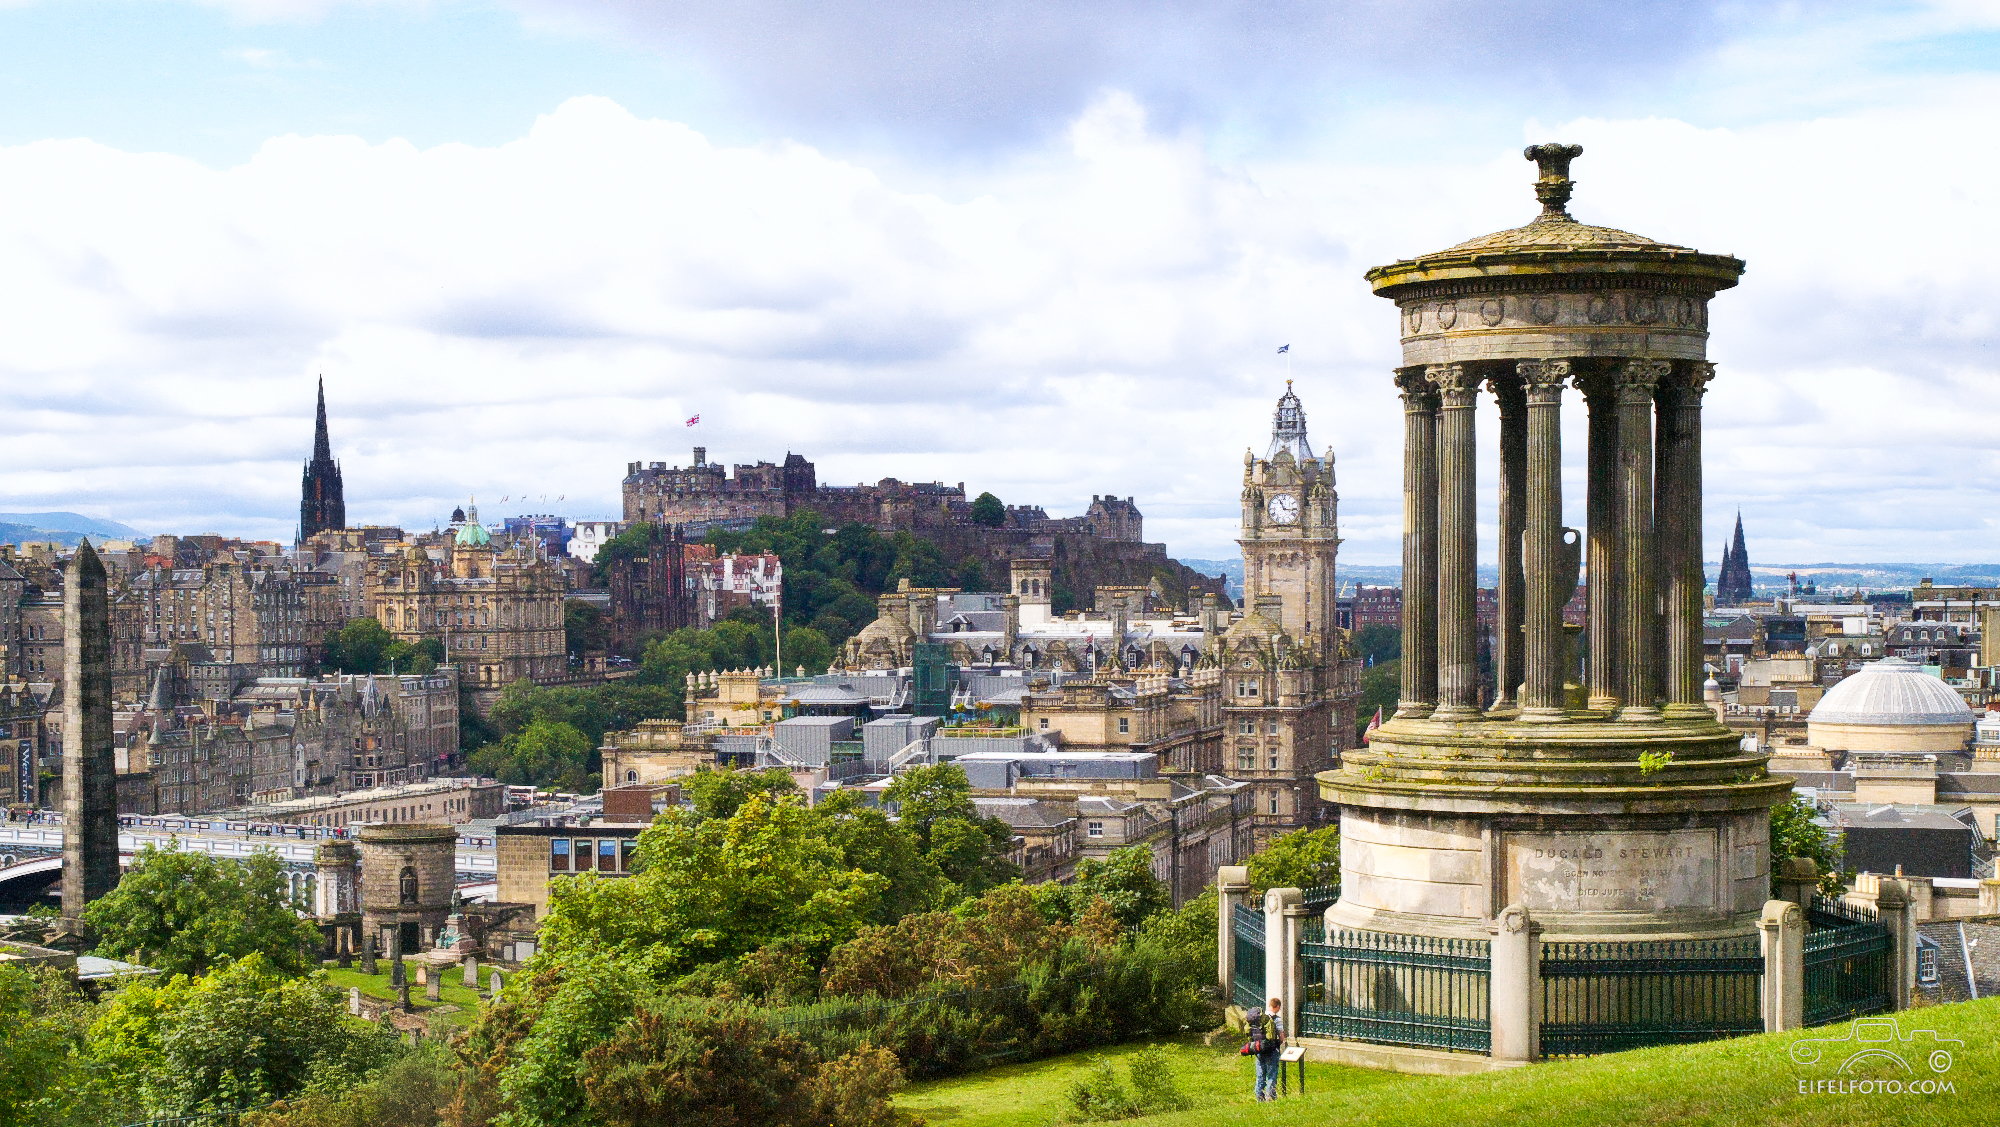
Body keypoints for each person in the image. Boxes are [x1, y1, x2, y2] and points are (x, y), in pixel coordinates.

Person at [1250, 996, 1285, 1101]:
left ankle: (1259, 1097)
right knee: (1271, 1073)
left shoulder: (1259, 1018)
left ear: (1269, 1005)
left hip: (1259, 1048)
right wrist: (1279, 1042)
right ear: (1278, 1006)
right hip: (1272, 1050)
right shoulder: (1277, 1019)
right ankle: (1270, 1097)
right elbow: (1281, 1037)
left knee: (1260, 1074)